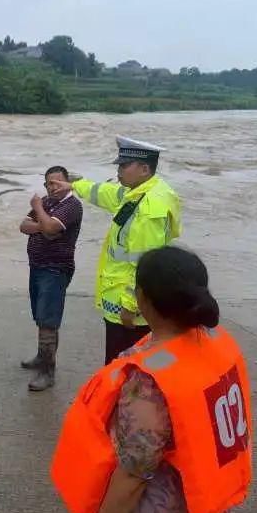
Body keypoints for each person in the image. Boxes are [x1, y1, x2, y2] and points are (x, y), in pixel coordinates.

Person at [51, 246, 253, 513]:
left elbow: (134, 474)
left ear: (142, 299)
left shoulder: (148, 382)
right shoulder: (216, 343)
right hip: (207, 501)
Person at [52, 136, 181, 364]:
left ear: (143, 168)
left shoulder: (149, 208)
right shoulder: (138, 192)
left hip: (129, 309)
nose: (119, 171)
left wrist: (131, 306)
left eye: (123, 165)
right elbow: (106, 193)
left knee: (122, 366)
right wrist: (74, 185)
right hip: (123, 300)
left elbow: (146, 263)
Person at [19, 166, 83, 391]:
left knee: (49, 319)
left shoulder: (72, 205)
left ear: (67, 183)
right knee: (40, 314)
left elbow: (53, 226)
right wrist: (42, 226)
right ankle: (41, 356)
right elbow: (24, 226)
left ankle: (48, 371)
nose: (52, 187)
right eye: (48, 183)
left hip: (55, 269)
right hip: (36, 266)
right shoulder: (47, 202)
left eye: (57, 182)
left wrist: (37, 208)